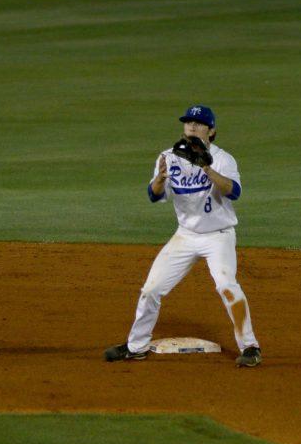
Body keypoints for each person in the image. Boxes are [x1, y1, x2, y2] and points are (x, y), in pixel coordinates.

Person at [104, 105, 262, 367]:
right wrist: (160, 179)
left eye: (199, 123)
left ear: (211, 131)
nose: (191, 126)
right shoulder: (168, 156)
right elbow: (154, 195)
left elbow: (234, 192)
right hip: (185, 236)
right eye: (188, 122)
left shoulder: (224, 159)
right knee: (151, 289)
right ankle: (136, 346)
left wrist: (208, 169)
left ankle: (251, 347)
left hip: (218, 236)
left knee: (226, 286)